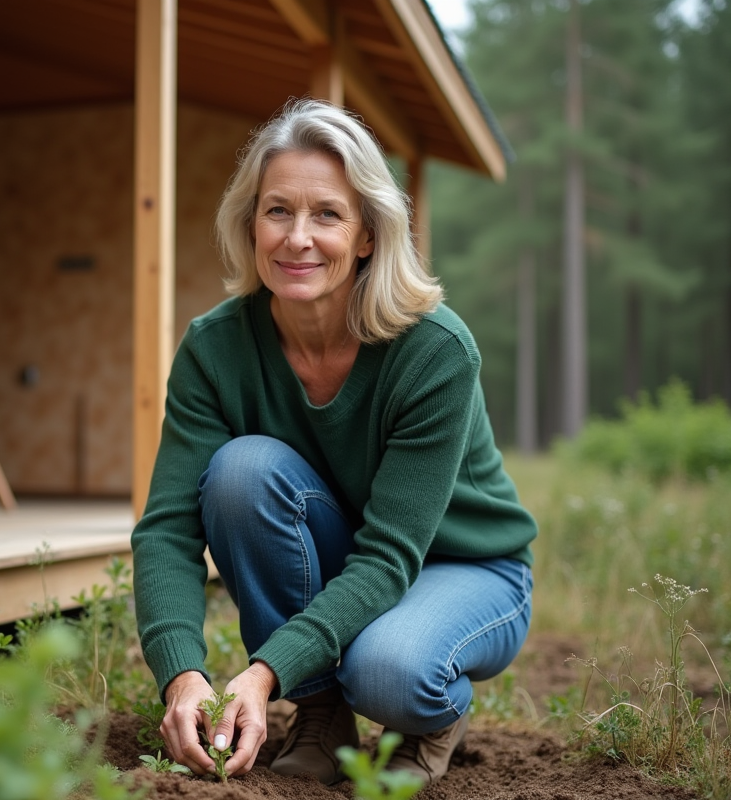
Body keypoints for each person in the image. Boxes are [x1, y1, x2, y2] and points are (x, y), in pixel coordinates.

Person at [130, 98, 536, 786]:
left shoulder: (434, 350)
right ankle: (320, 714)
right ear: (251, 223)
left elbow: (387, 556)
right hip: (349, 547)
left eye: (327, 214)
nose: (297, 238)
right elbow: (167, 528)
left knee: (388, 671)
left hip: (466, 566)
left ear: (369, 235)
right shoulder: (215, 348)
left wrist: (261, 674)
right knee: (240, 473)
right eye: (277, 210)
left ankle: (428, 717)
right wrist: (183, 674)